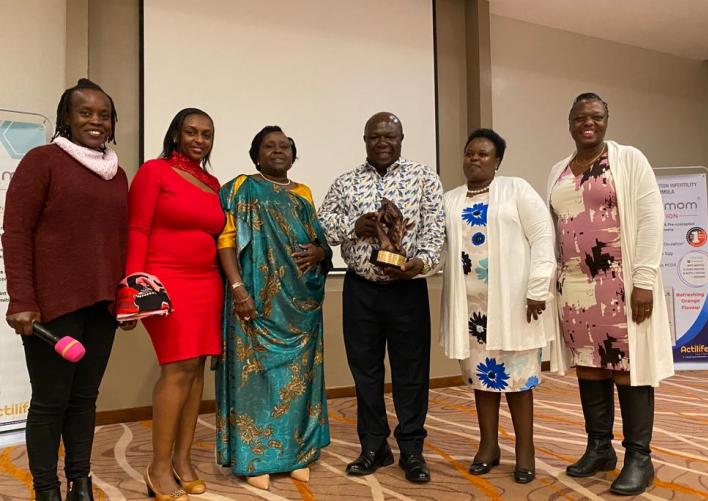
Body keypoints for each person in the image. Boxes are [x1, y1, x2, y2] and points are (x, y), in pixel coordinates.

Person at [2, 78, 131, 501]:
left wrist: (126, 300)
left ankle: (80, 482)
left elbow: (120, 240)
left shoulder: (117, 174)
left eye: (104, 114)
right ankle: (46, 490)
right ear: (66, 119)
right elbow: (15, 232)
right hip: (52, 306)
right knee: (49, 403)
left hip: (102, 306)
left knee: (84, 400)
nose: (96, 120)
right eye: (85, 112)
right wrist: (21, 299)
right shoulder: (43, 161)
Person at [548, 93, 673, 496]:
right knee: (590, 366)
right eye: (580, 117)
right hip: (577, 286)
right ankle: (599, 448)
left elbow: (653, 217)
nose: (588, 122)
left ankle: (640, 457)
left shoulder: (628, 159)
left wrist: (645, 280)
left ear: (606, 120)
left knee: (627, 367)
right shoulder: (558, 170)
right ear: (569, 122)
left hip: (620, 284)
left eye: (596, 116)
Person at [318, 112, 445, 483]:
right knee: (366, 373)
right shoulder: (346, 182)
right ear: (365, 139)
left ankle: (411, 449)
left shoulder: (425, 178)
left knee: (412, 373)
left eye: (390, 136)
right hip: (360, 290)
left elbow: (436, 231)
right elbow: (323, 226)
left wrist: (418, 263)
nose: (383, 143)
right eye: (375, 137)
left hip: (407, 289)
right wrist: (353, 226)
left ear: (402, 138)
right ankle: (374, 446)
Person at [215, 126, 331, 491]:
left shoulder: (303, 193)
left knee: (299, 379)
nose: (278, 151)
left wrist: (322, 252)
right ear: (256, 153)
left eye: (285, 146)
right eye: (270, 146)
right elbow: (226, 241)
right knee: (257, 377)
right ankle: (256, 458)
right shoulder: (239, 188)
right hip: (255, 300)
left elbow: (318, 242)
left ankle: (297, 454)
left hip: (300, 305)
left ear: (293, 155)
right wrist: (237, 288)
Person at [441, 128, 557, 483]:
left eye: (484, 154)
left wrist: (539, 288)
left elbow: (542, 236)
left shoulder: (515, 189)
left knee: (518, 382)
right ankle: (488, 446)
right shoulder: (451, 199)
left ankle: (525, 451)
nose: (475, 158)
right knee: (482, 380)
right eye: (470, 153)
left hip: (516, 306)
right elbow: (439, 249)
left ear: (498, 161)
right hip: (472, 311)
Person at [126, 108, 224, 500]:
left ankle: (183, 461)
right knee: (178, 368)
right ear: (176, 134)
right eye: (192, 132)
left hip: (207, 283)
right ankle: (158, 467)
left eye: (207, 134)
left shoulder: (213, 183)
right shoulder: (155, 172)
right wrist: (133, 289)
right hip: (165, 282)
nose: (199, 140)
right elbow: (136, 229)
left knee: (197, 369)